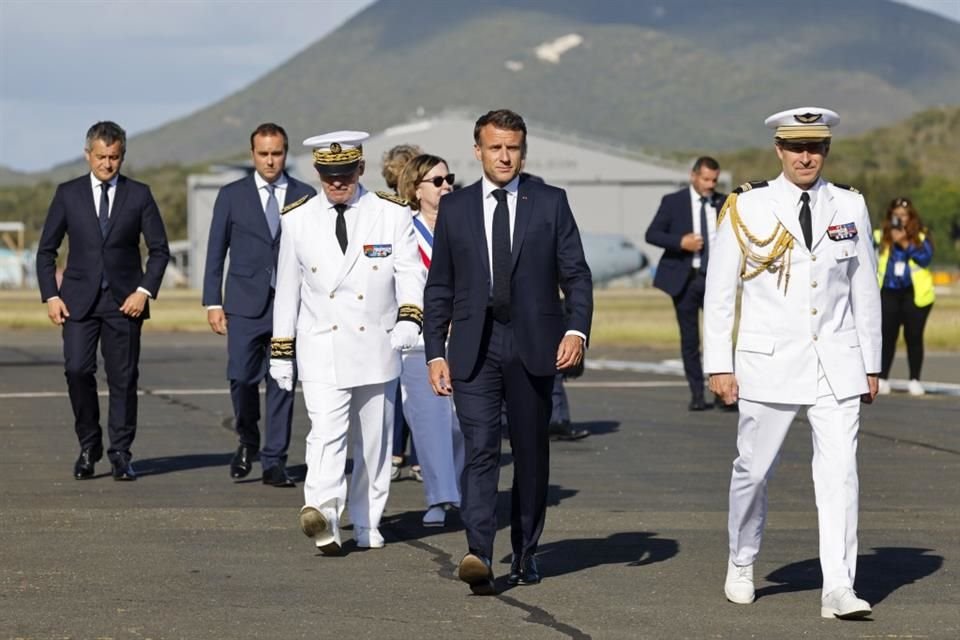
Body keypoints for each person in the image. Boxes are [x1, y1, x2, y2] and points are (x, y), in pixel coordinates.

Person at [704, 107, 882, 620]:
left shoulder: (850, 204)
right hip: (768, 363)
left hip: (836, 362)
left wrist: (870, 361)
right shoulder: (747, 205)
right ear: (779, 150)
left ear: (826, 151)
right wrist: (719, 362)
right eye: (796, 147)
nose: (807, 156)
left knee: (840, 477)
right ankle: (742, 560)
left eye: (816, 147)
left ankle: (838, 588)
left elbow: (863, 288)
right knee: (753, 472)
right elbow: (720, 293)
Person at [424, 109, 593, 594]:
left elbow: (576, 275)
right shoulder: (456, 210)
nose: (504, 156)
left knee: (530, 454)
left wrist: (576, 331)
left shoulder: (551, 202)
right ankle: (479, 551)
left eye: (513, 147)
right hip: (475, 345)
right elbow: (440, 286)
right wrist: (435, 352)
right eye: (495, 147)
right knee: (479, 450)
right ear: (477, 151)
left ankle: (525, 551)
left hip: (534, 344)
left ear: (523, 150)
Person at [270, 131, 424, 554]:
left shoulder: (390, 214)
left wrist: (410, 316)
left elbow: (410, 271)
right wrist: (281, 350)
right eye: (327, 176)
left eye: (344, 175)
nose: (337, 184)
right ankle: (323, 517)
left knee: (374, 441)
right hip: (321, 345)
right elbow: (287, 290)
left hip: (376, 342)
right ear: (318, 173)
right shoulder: (297, 218)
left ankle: (367, 519)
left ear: (360, 169)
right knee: (325, 434)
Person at [36, 121, 170, 481]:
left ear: (122, 155)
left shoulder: (139, 195)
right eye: (100, 157)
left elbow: (159, 251)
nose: (107, 165)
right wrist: (51, 294)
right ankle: (89, 445)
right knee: (77, 370)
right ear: (87, 155)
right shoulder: (68, 194)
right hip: (77, 302)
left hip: (125, 303)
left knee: (123, 380)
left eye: (113, 158)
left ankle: (121, 454)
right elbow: (46, 251)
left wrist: (143, 292)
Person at [202, 123, 317, 486]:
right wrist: (212, 302)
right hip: (243, 304)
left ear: (286, 153)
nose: (271, 161)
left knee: (282, 382)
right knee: (240, 378)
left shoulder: (306, 194)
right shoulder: (231, 195)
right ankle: (247, 440)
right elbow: (216, 251)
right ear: (253, 154)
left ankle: (274, 460)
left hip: (289, 305)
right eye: (264, 154)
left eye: (277, 153)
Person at [395, 153, 464, 527]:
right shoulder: (403, 229)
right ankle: (439, 497)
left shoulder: (463, 223)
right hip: (420, 342)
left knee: (460, 422)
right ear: (415, 189)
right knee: (428, 422)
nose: (446, 186)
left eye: (448, 178)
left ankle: (460, 490)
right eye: (436, 181)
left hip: (464, 338)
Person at [646, 156, 730, 411]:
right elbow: (652, 234)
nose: (710, 185)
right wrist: (680, 242)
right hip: (686, 279)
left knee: (719, 337)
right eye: (705, 179)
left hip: (716, 281)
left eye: (714, 180)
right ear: (693, 176)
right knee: (690, 339)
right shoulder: (673, 202)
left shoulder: (725, 202)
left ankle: (722, 391)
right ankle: (697, 392)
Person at [380, 143, 424, 483]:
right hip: (401, 307)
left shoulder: (387, 212)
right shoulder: (393, 215)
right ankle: (412, 454)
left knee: (401, 384)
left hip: (403, 307)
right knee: (409, 384)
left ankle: (397, 452)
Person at [874, 197, 935, 396]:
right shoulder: (879, 236)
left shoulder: (922, 236)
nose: (900, 219)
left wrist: (905, 242)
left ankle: (915, 379)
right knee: (887, 336)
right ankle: (882, 377)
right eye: (896, 215)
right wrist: (891, 239)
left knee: (914, 337)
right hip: (888, 292)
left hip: (915, 294)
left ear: (911, 217)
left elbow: (925, 259)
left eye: (904, 216)